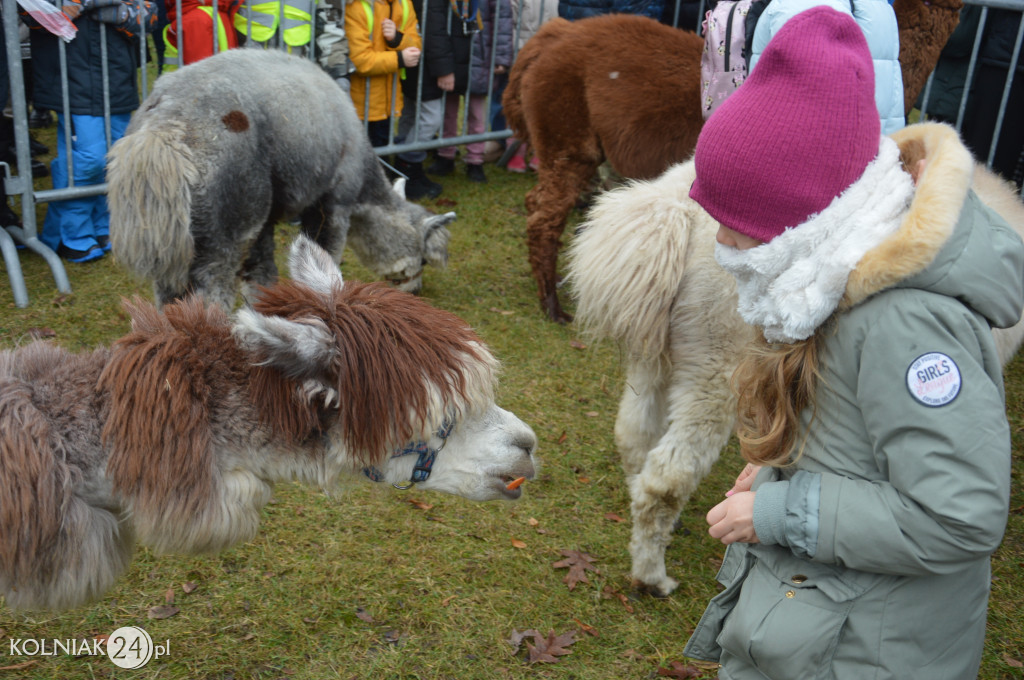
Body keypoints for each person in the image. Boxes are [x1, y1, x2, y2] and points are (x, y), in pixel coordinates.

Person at [682, 7, 1022, 678]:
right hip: (823, 627)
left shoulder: (905, 325)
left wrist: (779, 511)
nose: (723, 243)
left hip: (869, 650)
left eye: (737, 224)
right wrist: (786, 466)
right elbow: (863, 443)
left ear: (805, 218)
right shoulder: (835, 271)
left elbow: (957, 516)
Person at [25, 0, 154, 263]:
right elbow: (33, 16)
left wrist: (118, 13)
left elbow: (148, 16)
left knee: (114, 156)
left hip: (116, 77)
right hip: (70, 78)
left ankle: (103, 226)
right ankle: (69, 234)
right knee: (88, 158)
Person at [747, 0, 905, 135]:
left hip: (821, 153)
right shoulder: (877, 6)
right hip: (874, 146)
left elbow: (804, 104)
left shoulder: (805, 6)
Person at [427, 0, 513, 183]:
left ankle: (475, 160)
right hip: (452, 53)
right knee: (448, 111)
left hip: (480, 57)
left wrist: (501, 57)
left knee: (476, 113)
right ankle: (445, 155)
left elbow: (502, 20)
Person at [345, 0, 422, 149]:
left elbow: (416, 45)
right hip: (361, 104)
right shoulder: (357, 6)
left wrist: (397, 38)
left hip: (388, 100)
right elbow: (360, 60)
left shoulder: (404, 4)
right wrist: (400, 59)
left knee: (382, 152)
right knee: (361, 156)